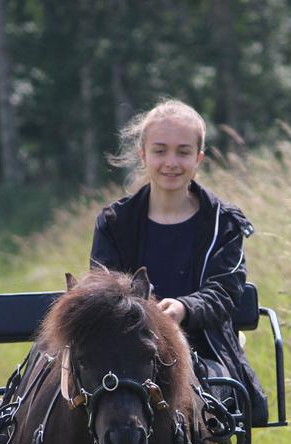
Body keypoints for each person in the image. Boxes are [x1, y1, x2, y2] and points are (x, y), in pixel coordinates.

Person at [89, 99, 268, 426]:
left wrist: (184, 308)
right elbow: (105, 286)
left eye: (183, 152)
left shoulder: (224, 223)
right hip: (128, 347)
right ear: (143, 155)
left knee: (215, 396)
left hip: (203, 347)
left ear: (198, 158)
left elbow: (225, 290)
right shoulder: (114, 222)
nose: (171, 162)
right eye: (160, 151)